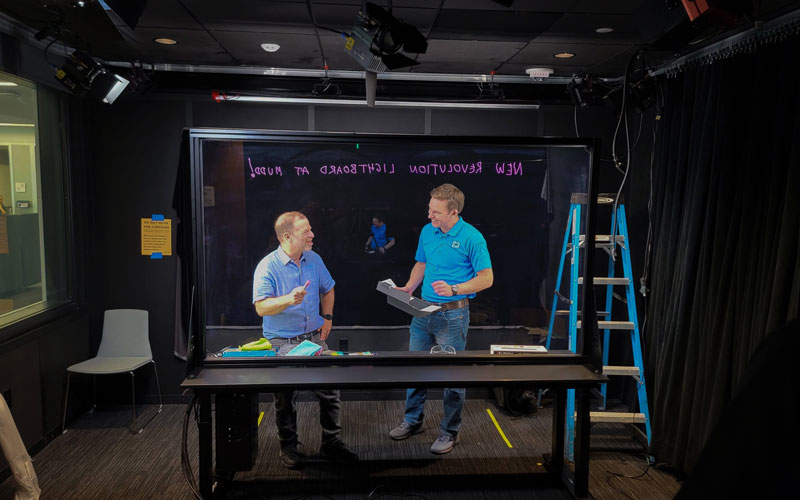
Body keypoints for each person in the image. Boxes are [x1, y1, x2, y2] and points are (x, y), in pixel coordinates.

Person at [389, 183, 493, 454]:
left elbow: (486, 278)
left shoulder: (472, 237)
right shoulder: (428, 231)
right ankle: (413, 420)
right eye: (429, 209)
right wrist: (410, 286)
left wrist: (455, 289)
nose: (430, 215)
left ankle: (450, 432)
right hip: (423, 311)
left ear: (453, 212)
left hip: (453, 315)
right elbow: (422, 263)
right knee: (415, 367)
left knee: (452, 374)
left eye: (436, 211)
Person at [252, 211, 358, 468]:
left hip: (312, 338)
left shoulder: (313, 259)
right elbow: (261, 308)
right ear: (287, 236)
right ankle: (288, 447)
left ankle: (331, 444)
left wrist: (328, 316)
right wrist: (290, 299)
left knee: (330, 391)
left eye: (311, 229)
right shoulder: (267, 266)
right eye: (306, 232)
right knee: (285, 397)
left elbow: (328, 288)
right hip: (280, 341)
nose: (312, 235)